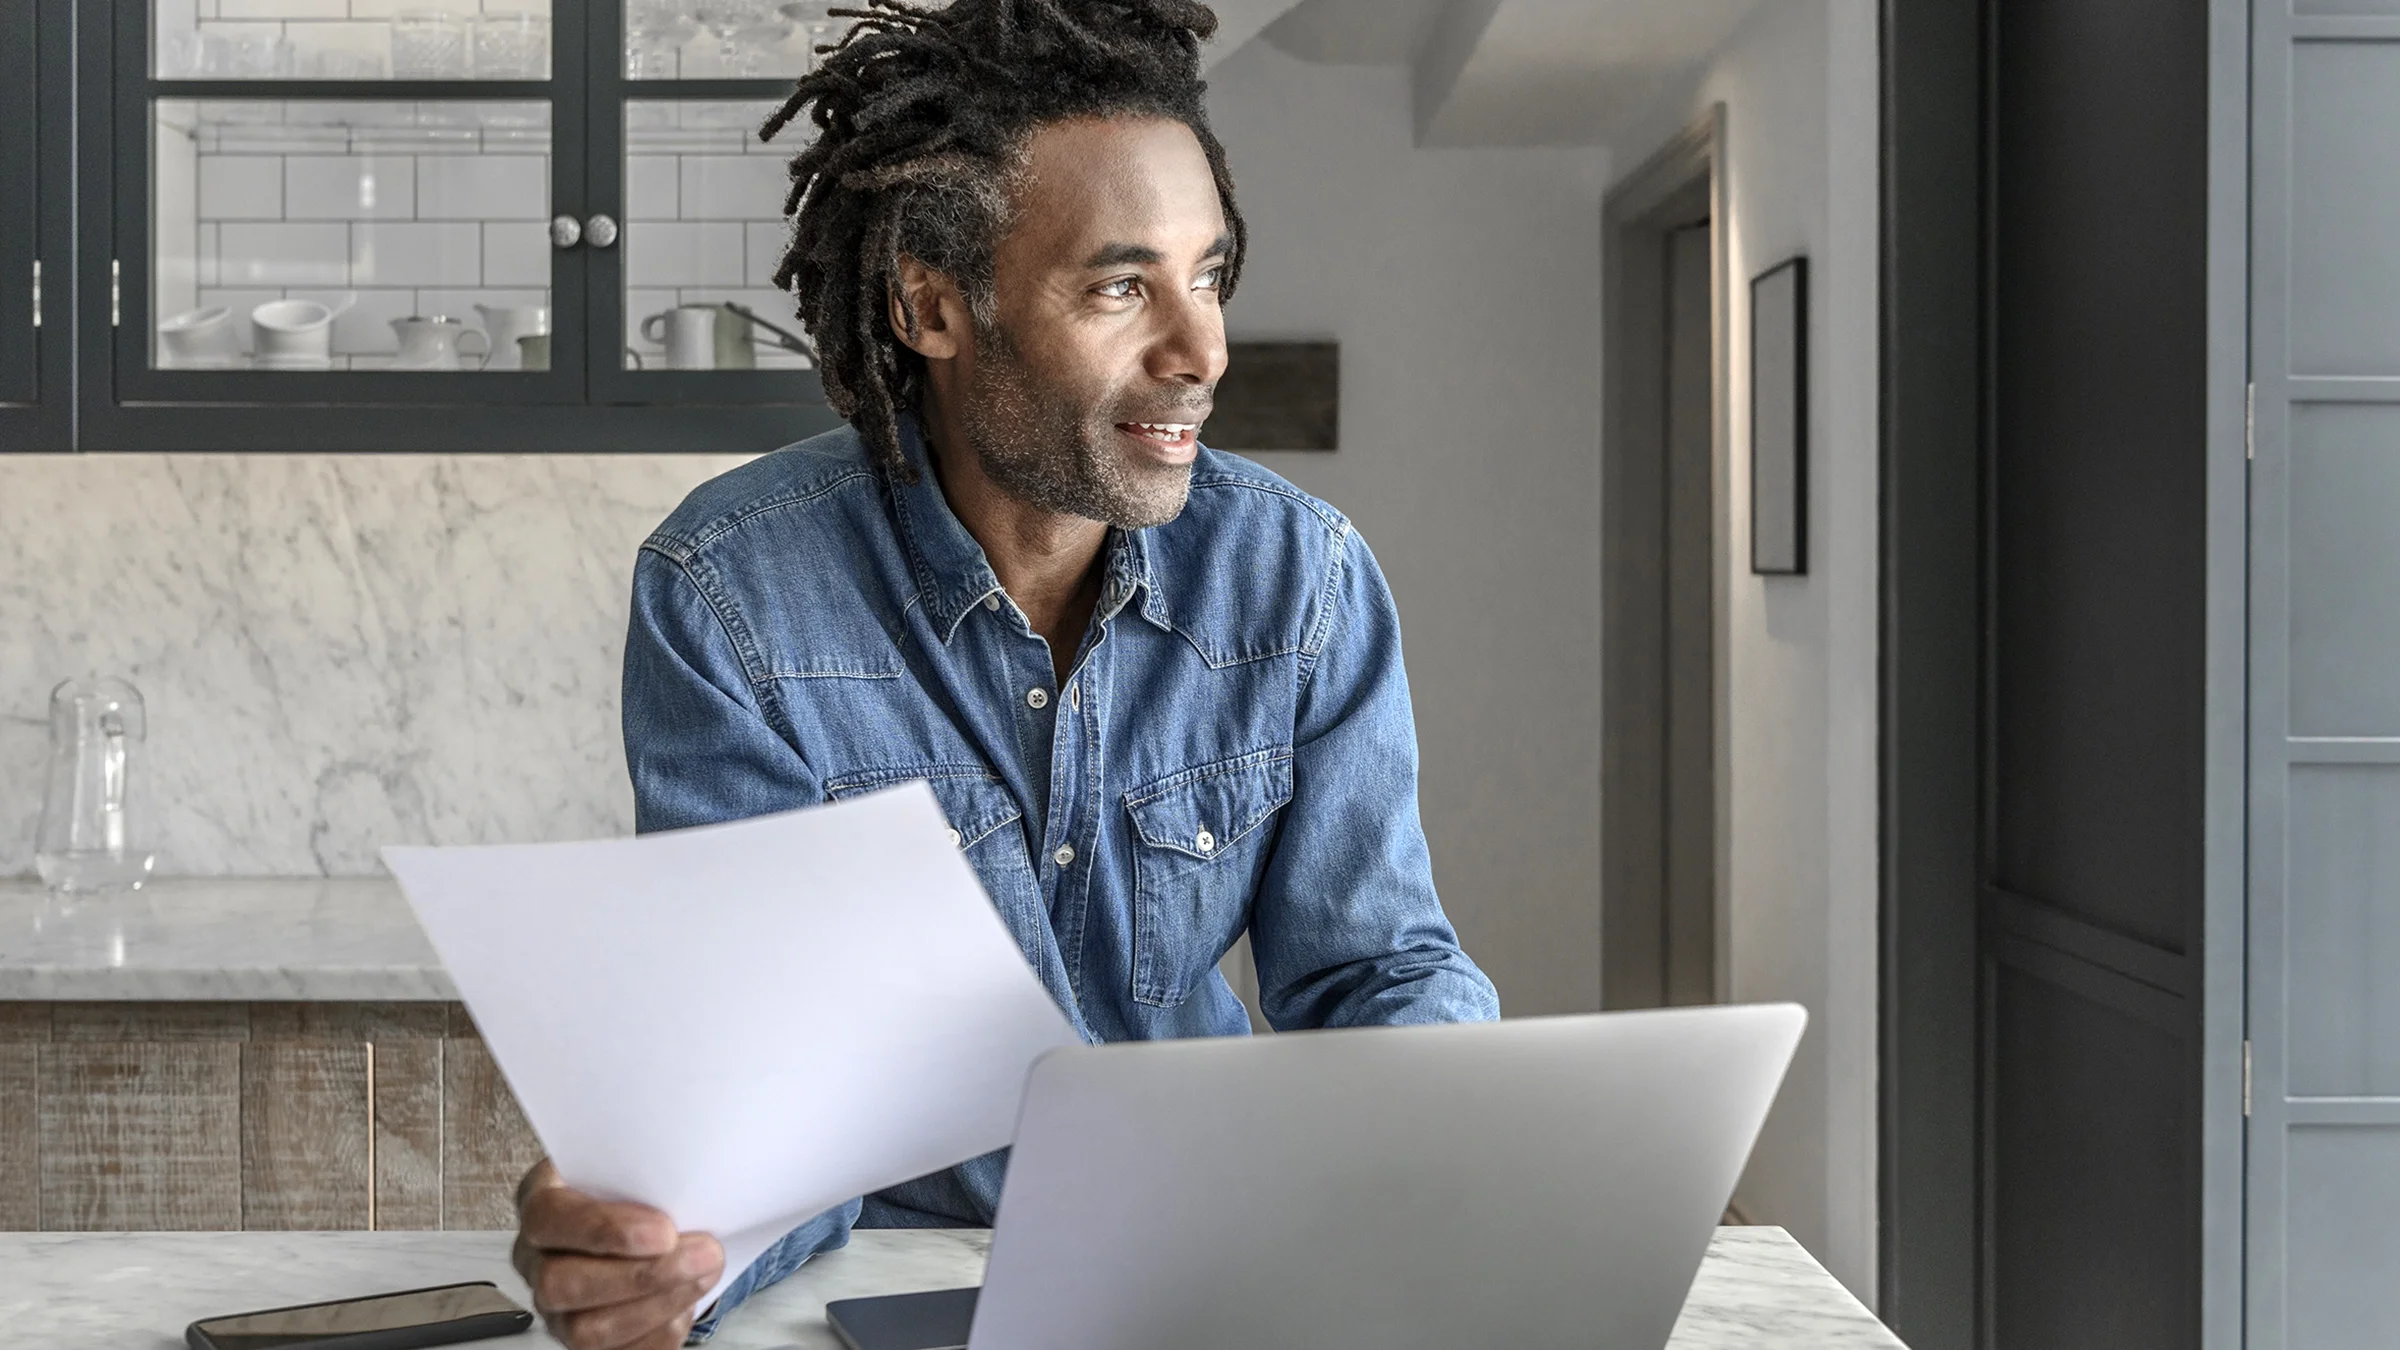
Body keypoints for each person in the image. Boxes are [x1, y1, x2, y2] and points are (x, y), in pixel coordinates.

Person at [509, 1, 1499, 1345]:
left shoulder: (1302, 578)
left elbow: (1375, 964)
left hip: (1221, 1267)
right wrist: (670, 1244)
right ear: (932, 305)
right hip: (899, 1282)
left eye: (1208, 275)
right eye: (1119, 285)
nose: (1202, 350)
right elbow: (770, 1079)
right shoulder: (730, 596)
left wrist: (1471, 1142)